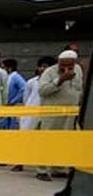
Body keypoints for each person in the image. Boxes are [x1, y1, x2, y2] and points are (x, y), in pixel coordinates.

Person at [36, 49, 84, 180]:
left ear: (75, 63)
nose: (66, 68)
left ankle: (58, 167)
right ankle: (42, 170)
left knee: (65, 141)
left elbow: (79, 89)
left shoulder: (78, 69)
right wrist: (60, 80)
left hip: (70, 114)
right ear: (58, 62)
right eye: (63, 65)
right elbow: (42, 91)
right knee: (48, 141)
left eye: (70, 66)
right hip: (52, 114)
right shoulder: (50, 72)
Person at [0, 58, 26, 130]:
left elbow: (24, 88)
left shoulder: (15, 77)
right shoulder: (7, 77)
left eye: (3, 67)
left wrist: (13, 101)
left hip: (13, 107)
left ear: (10, 68)